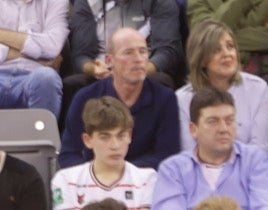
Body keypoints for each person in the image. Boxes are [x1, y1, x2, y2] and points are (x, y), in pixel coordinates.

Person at [153, 86, 268, 210]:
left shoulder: (254, 159)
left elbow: (266, 207)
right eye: (213, 121)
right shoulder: (173, 168)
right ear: (193, 129)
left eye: (229, 121)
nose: (224, 129)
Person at [58, 27, 182, 170]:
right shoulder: (85, 98)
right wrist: (98, 176)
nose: (138, 59)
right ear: (109, 60)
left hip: (145, 185)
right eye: (128, 52)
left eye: (143, 51)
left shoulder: (165, 98)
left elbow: (167, 156)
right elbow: (68, 155)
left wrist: (121, 174)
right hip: (93, 185)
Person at [50, 97, 156, 210]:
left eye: (121, 135)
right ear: (88, 140)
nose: (115, 145)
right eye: (105, 137)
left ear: (129, 136)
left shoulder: (148, 179)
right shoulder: (65, 180)